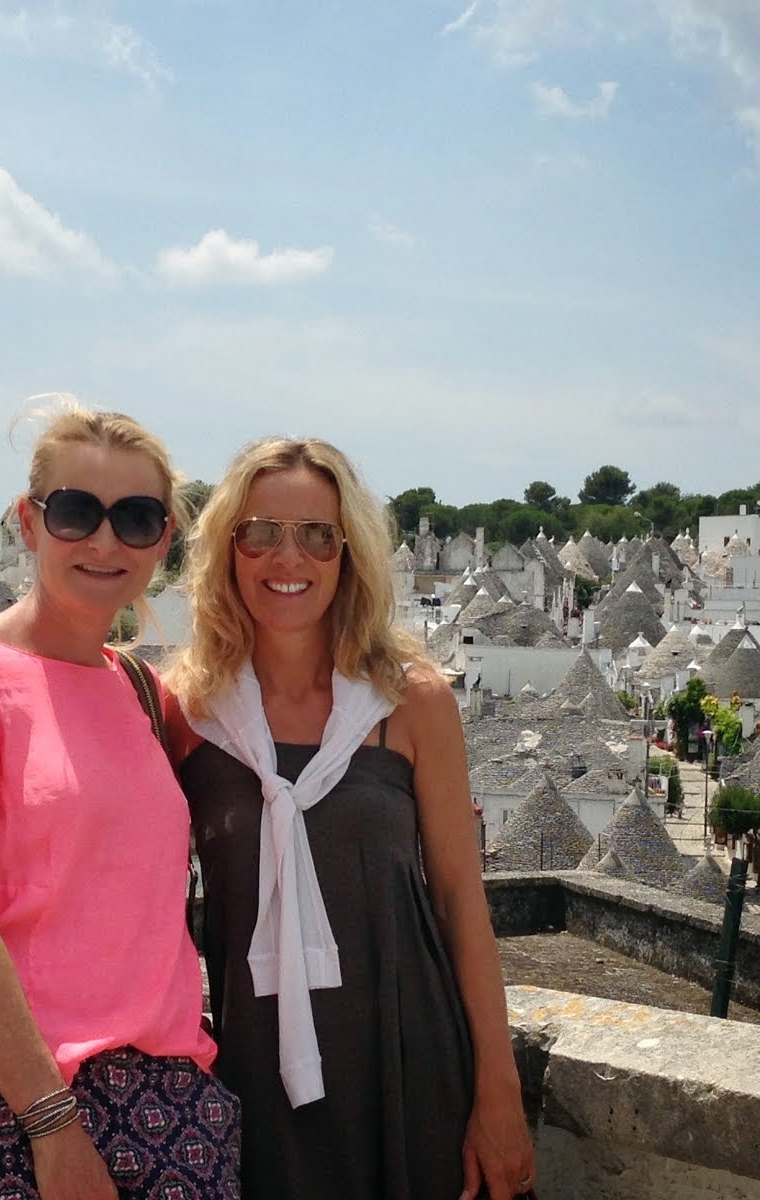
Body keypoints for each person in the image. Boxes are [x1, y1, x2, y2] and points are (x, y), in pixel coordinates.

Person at [167, 437, 535, 1200]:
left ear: (349, 554)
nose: (287, 557)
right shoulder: (190, 717)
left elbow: (463, 905)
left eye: (316, 536)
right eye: (260, 531)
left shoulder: (412, 705)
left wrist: (497, 1094)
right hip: (254, 1080)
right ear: (228, 550)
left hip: (410, 1064)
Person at [0, 402, 238, 1199]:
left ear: (162, 539)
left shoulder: (146, 695)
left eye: (137, 518)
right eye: (78, 512)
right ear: (29, 522)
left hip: (175, 1105)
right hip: (14, 1108)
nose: (105, 542)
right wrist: (52, 1125)